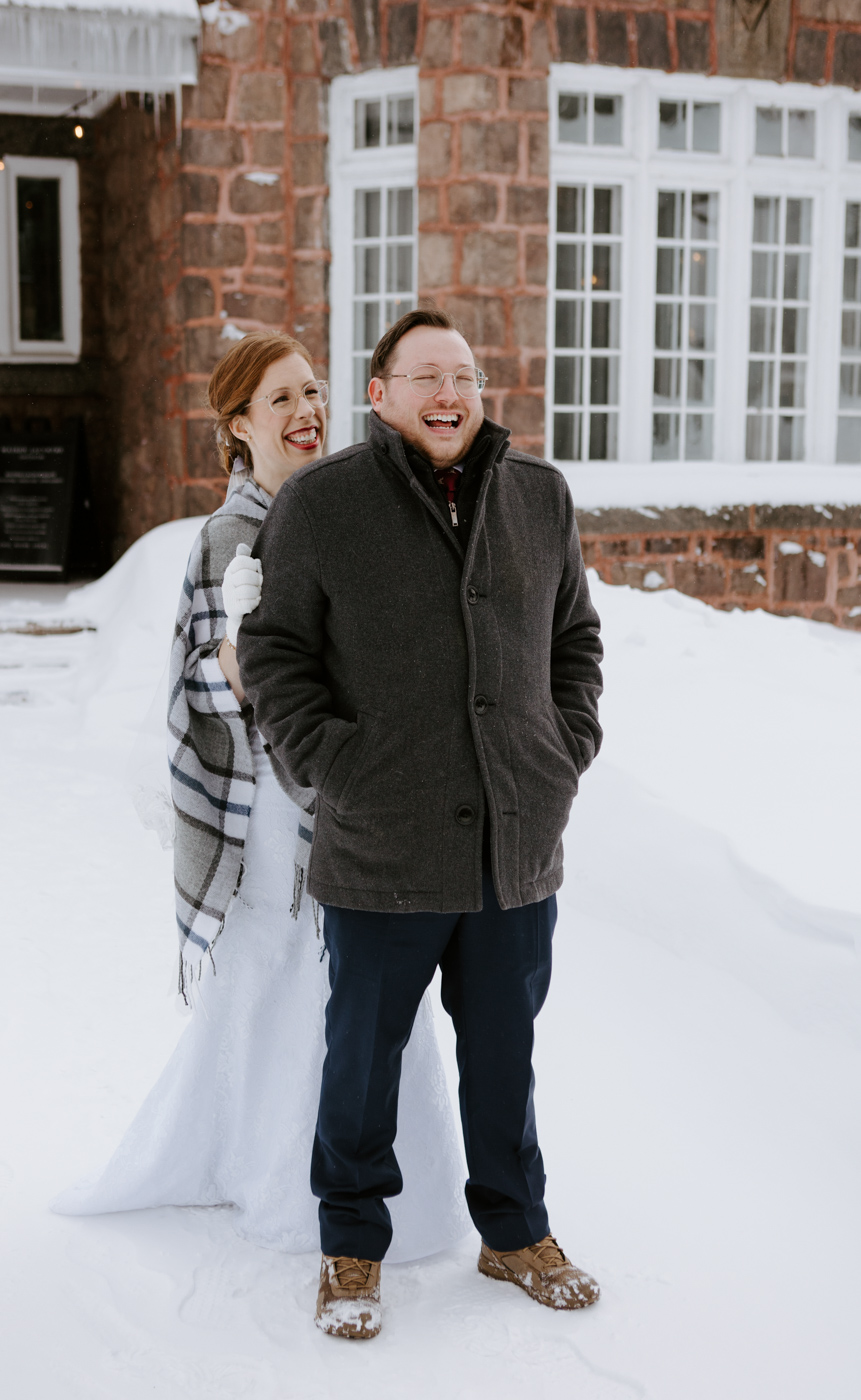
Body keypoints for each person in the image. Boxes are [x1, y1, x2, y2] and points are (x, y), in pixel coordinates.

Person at [52, 331, 469, 1265]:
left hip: (366, 791)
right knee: (296, 979)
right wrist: (243, 667)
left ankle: (398, 1189)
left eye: (312, 391)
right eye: (278, 399)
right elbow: (196, 678)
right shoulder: (227, 536)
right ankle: (281, 1177)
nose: (304, 411)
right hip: (277, 807)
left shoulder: (351, 512)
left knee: (368, 986)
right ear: (238, 426)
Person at [236, 309, 605, 1339]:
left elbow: (575, 636)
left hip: (513, 842)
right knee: (361, 1059)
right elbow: (273, 655)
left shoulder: (539, 496)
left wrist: (561, 748)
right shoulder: (320, 505)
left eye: (465, 375)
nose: (450, 394)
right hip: (381, 844)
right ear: (381, 393)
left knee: (503, 1050)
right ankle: (351, 1249)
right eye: (425, 377)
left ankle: (515, 1229)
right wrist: (333, 765)